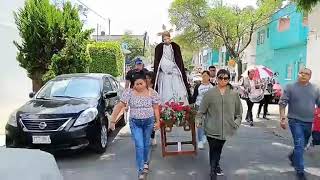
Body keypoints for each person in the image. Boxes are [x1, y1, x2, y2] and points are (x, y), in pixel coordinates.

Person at [109, 72, 161, 180]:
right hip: (135, 123)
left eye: (140, 83)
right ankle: (141, 170)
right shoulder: (129, 93)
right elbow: (119, 106)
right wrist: (112, 121)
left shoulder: (152, 93)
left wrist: (158, 122)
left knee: (146, 144)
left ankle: (146, 162)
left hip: (148, 122)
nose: (138, 86)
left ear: (146, 83)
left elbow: (156, 108)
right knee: (139, 145)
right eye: (136, 84)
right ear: (133, 85)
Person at [198, 69, 243, 179]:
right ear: (217, 78)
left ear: (228, 79)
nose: (223, 80)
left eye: (226, 78)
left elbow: (239, 113)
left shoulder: (233, 94)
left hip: (226, 129)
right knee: (213, 149)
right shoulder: (210, 93)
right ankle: (213, 171)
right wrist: (199, 123)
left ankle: (216, 165)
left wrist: (235, 124)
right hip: (211, 128)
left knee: (218, 149)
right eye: (221, 78)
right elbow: (201, 111)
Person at [279, 68, 320, 180]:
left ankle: (293, 156)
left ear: (310, 76)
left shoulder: (315, 89)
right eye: (301, 73)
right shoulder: (290, 87)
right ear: (298, 74)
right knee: (299, 143)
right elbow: (282, 103)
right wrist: (282, 118)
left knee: (303, 144)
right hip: (295, 121)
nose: (303, 75)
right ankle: (300, 171)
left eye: (306, 74)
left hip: (309, 122)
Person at [153, 31, 191, 104]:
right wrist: (169, 66)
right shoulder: (159, 48)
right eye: (165, 38)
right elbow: (161, 62)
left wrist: (174, 67)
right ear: (162, 39)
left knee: (179, 92)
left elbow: (178, 61)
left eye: (168, 38)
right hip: (165, 75)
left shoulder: (175, 47)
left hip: (175, 73)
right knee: (166, 94)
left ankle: (179, 108)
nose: (167, 40)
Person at [191, 70, 215, 150]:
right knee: (199, 124)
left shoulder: (213, 86)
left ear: (209, 77)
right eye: (203, 76)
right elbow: (194, 97)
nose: (204, 77)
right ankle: (200, 141)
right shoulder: (198, 86)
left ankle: (205, 135)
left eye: (206, 76)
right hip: (199, 106)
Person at [146, 71, 157, 146]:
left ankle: (152, 137)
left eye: (148, 78)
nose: (146, 79)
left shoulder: (155, 86)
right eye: (146, 78)